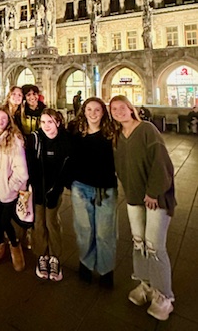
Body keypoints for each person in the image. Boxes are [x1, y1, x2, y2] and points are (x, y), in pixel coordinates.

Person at [110, 95, 176, 321]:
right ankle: (145, 284)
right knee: (139, 243)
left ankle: (163, 297)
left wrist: (154, 192)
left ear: (131, 109)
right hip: (134, 198)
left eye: (122, 107)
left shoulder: (147, 129)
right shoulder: (118, 136)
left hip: (156, 198)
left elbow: (162, 163)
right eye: (114, 109)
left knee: (155, 245)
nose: (118, 112)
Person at [68, 97, 118, 287]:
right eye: (89, 109)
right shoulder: (75, 131)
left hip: (106, 189)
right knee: (84, 229)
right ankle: (86, 264)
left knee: (105, 232)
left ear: (103, 112)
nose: (93, 113)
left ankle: (106, 270)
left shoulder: (111, 133)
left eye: (97, 110)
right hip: (80, 187)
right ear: (84, 110)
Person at [29, 108, 71, 282]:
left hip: (55, 189)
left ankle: (55, 257)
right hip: (38, 189)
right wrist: (35, 187)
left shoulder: (65, 140)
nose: (46, 126)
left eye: (50, 122)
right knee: (39, 222)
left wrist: (57, 189)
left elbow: (67, 167)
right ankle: (42, 255)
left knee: (51, 221)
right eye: (43, 122)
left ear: (58, 123)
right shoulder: (35, 138)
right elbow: (31, 164)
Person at [0, 106, 28, 271]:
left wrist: (10, 187)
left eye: (4, 118)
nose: (0, 121)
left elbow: (21, 171)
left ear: (9, 120)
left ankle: (15, 246)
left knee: (4, 221)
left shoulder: (15, 139)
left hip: (8, 191)